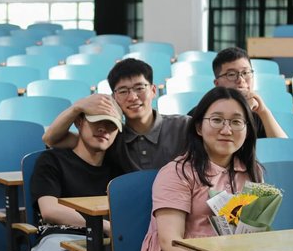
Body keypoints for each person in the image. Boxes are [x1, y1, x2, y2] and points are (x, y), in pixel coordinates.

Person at [136, 86, 264, 251]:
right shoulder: (177, 173)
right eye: (217, 120)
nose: (226, 130)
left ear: (247, 130)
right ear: (198, 128)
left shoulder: (252, 172)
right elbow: (170, 244)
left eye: (236, 122)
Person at [30, 98, 123, 251]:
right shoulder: (51, 160)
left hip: (107, 241)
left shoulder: (118, 169)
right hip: (59, 239)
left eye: (111, 125)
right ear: (79, 123)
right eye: (97, 122)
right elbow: (50, 211)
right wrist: (103, 226)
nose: (104, 129)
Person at [43, 58, 190, 173]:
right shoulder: (111, 136)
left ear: (153, 90)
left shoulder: (183, 126)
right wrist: (76, 108)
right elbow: (51, 139)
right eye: (123, 91)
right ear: (114, 97)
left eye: (139, 88)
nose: (132, 97)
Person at [188, 47, 287, 138]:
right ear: (217, 83)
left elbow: (285, 150)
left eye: (245, 73)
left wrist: (264, 111)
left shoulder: (258, 114)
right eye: (231, 74)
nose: (241, 80)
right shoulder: (201, 114)